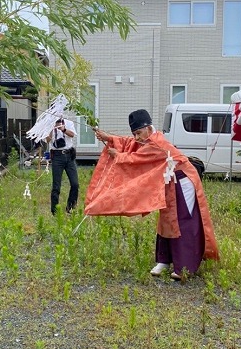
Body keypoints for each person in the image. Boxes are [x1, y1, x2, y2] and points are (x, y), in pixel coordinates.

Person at [93, 109, 219, 278]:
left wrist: (118, 156)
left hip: (183, 181)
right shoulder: (147, 140)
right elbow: (131, 143)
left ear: (148, 128)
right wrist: (109, 138)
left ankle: (185, 266)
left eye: (139, 133)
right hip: (169, 181)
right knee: (166, 218)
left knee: (182, 221)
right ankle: (164, 260)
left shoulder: (156, 143)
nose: (137, 137)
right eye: (135, 134)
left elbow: (136, 158)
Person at [45, 116, 79, 214]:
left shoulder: (68, 122)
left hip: (69, 155)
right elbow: (47, 140)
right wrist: (52, 128)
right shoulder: (49, 124)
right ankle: (55, 212)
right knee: (56, 186)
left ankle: (71, 208)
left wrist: (63, 129)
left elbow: (72, 134)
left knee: (75, 184)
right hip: (57, 156)